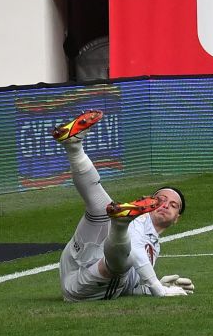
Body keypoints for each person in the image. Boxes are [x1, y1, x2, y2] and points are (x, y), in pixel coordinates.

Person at [54, 110, 195, 302]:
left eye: (173, 205)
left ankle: (73, 147)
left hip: (82, 266)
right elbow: (135, 251)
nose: (165, 206)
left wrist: (152, 285)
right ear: (149, 203)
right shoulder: (141, 222)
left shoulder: (154, 244)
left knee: (103, 210)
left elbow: (130, 287)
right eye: (160, 200)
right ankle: (120, 225)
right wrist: (157, 288)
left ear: (177, 218)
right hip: (81, 282)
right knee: (110, 223)